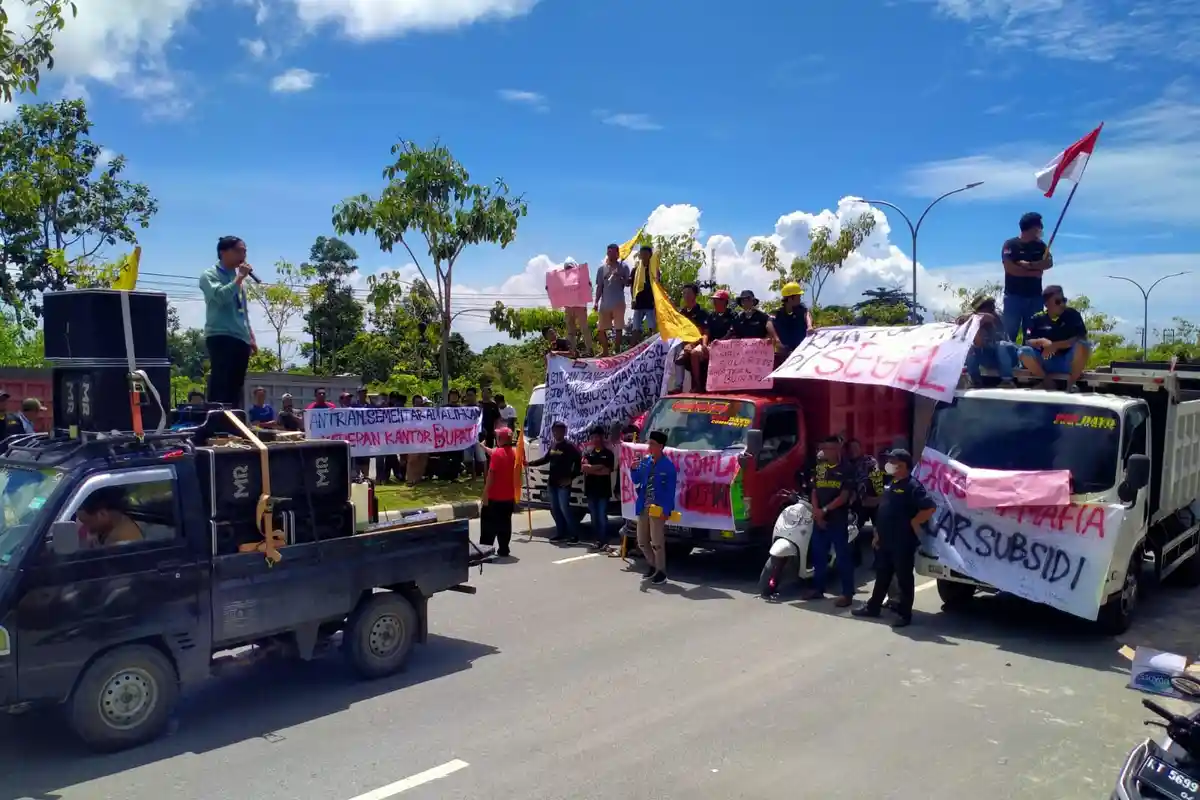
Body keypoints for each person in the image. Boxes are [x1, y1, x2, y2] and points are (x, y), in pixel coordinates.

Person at [853, 449, 936, 628]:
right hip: (885, 539)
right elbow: (883, 509)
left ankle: (904, 614)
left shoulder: (913, 486)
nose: (888, 464)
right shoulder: (891, 483)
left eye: (893, 460)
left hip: (903, 541)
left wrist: (915, 522)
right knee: (882, 575)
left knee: (904, 578)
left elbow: (929, 508)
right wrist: (876, 534)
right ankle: (873, 606)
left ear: (903, 465)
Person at [200, 236, 257, 407]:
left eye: (245, 251)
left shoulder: (236, 277)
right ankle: (215, 422)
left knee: (236, 385)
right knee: (221, 382)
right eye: (239, 250)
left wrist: (251, 336)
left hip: (241, 337)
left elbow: (243, 311)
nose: (244, 255)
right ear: (223, 252)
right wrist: (239, 278)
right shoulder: (209, 275)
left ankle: (232, 423)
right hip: (221, 335)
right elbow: (220, 297)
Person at [803, 436, 855, 607]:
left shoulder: (846, 468)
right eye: (823, 447)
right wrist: (817, 512)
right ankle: (818, 589)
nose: (824, 451)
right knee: (818, 555)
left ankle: (847, 593)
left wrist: (825, 511)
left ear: (837, 449)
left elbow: (844, 496)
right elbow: (815, 491)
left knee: (842, 557)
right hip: (820, 520)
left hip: (837, 520)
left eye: (829, 448)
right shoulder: (820, 467)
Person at [1018, 285, 1091, 391]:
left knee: (1084, 345)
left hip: (1067, 361)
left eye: (1064, 300)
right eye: (1057, 301)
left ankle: (1071, 384)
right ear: (1046, 304)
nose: (1062, 304)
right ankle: (1046, 381)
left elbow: (1081, 338)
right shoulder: (1037, 318)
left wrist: (1055, 346)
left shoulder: (1072, 315)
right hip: (1046, 361)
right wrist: (1042, 341)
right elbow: (1028, 340)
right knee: (1023, 352)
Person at [632, 430, 677, 585]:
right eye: (649, 443)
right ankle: (652, 565)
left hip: (658, 508)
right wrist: (633, 469)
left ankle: (661, 571)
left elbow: (670, 491)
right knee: (642, 541)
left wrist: (666, 510)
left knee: (657, 542)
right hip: (643, 506)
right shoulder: (645, 461)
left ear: (661, 446)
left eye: (652, 444)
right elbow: (636, 479)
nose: (649, 446)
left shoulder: (668, 466)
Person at [1001, 212, 1054, 343]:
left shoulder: (1041, 246)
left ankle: (1028, 362)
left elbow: (1048, 263)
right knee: (1009, 334)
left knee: (1033, 334)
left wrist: (1029, 265)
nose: (1041, 230)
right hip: (1014, 297)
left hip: (1035, 298)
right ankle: (1009, 363)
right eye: (1039, 227)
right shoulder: (1010, 245)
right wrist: (1033, 272)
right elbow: (1010, 268)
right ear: (1032, 228)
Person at [527, 420, 582, 542]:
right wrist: (529, 464)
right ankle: (561, 533)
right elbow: (545, 459)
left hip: (564, 485)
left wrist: (571, 478)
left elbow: (579, 463)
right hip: (552, 483)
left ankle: (574, 534)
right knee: (555, 510)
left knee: (564, 509)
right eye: (555, 430)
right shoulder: (553, 445)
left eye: (559, 430)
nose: (557, 433)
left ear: (564, 432)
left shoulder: (570, 446)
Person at [958, 296, 1017, 388]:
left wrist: (975, 318)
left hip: (1009, 356)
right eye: (986, 306)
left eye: (991, 306)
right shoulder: (977, 321)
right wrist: (974, 323)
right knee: (970, 348)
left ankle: (1007, 381)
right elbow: (979, 344)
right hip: (990, 358)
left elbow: (989, 317)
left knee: (1001, 345)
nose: (990, 308)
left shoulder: (998, 317)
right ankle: (976, 381)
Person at [480, 427, 519, 558]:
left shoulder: (497, 454)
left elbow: (491, 476)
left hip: (494, 497)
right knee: (505, 524)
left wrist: (485, 494)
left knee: (488, 526)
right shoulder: (514, 453)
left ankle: (485, 550)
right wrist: (485, 448)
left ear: (501, 439)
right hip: (508, 497)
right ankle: (504, 549)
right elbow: (497, 454)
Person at [581, 425, 616, 551]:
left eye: (598, 436)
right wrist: (598, 467)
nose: (596, 439)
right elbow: (584, 468)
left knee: (602, 516)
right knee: (593, 516)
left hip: (603, 491)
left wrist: (591, 469)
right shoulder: (587, 453)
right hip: (590, 490)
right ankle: (597, 540)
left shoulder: (608, 454)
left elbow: (607, 471)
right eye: (593, 437)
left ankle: (604, 540)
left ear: (602, 437)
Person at [594, 243, 630, 355]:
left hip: (618, 301)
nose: (610, 254)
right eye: (608, 252)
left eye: (612, 252)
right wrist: (596, 301)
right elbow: (600, 286)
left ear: (617, 253)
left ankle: (617, 350)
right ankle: (605, 351)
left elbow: (628, 283)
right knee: (600, 329)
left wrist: (619, 276)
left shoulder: (623, 267)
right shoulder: (602, 269)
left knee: (618, 327)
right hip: (605, 303)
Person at [76, 487, 143, 547]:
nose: (86, 528)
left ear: (102, 514)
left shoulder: (123, 542)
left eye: (87, 522)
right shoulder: (112, 526)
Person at [675, 283, 711, 387]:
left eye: (689, 293)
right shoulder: (681, 313)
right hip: (683, 343)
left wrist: (694, 344)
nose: (686, 296)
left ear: (695, 295)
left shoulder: (702, 313)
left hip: (698, 342)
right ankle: (678, 385)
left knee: (694, 353)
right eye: (684, 293)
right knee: (674, 350)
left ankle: (697, 384)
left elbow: (705, 332)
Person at [560, 260, 595, 355]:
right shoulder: (563, 279)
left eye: (570, 267)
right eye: (567, 268)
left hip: (580, 306)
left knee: (584, 328)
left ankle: (589, 350)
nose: (568, 269)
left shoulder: (581, 277)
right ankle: (572, 350)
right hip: (569, 307)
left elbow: (589, 289)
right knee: (570, 331)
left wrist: (588, 285)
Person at [772, 282, 810, 357]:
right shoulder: (778, 314)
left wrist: (809, 326)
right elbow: (770, 326)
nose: (800, 299)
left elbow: (807, 315)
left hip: (801, 352)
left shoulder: (802, 310)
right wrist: (777, 341)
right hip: (784, 353)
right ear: (790, 299)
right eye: (798, 297)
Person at [630, 245, 658, 341]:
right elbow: (632, 285)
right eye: (642, 254)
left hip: (650, 302)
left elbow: (657, 285)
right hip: (638, 302)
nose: (643, 256)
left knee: (652, 327)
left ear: (650, 255)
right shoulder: (635, 270)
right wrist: (633, 299)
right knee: (635, 328)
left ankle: (652, 347)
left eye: (646, 254)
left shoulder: (654, 269)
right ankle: (633, 348)